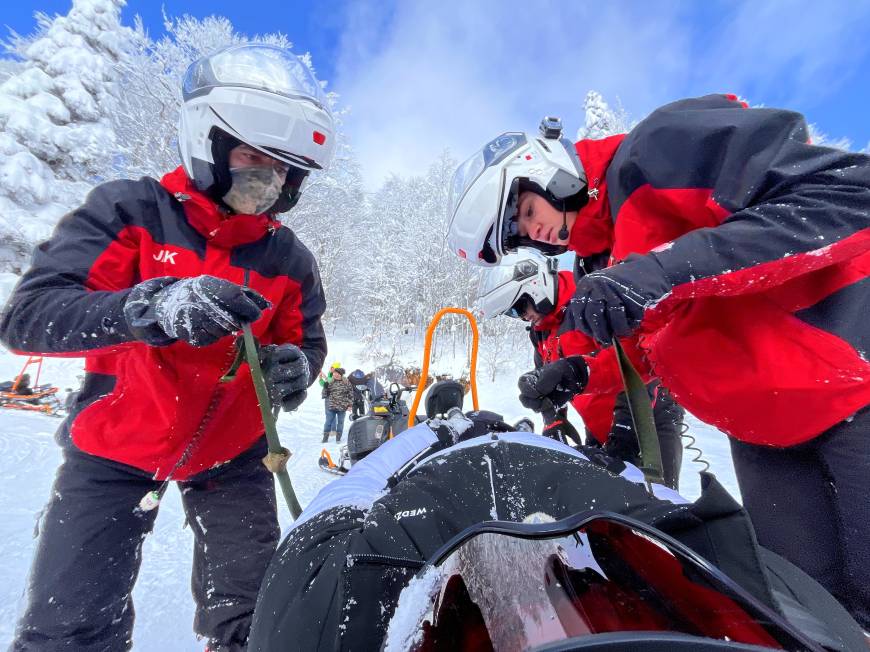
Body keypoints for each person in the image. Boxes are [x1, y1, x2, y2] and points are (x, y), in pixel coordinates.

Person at [446, 95, 870, 629]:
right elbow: (651, 352)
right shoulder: (602, 258)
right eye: (524, 234)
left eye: (528, 212)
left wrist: (660, 270)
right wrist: (578, 374)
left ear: (544, 174)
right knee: (806, 619)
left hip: (851, 389)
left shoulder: (656, 151)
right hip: (763, 435)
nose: (537, 233)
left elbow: (847, 193)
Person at [0, 43, 335, 652]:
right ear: (209, 146)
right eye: (252, 157)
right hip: (114, 448)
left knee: (259, 623)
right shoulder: (131, 211)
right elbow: (29, 316)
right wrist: (152, 309)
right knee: (70, 627)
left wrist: (298, 370)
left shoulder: (289, 260)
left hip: (235, 457)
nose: (267, 179)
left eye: (282, 168)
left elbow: (306, 342)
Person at [247, 410, 866, 651]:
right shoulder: (441, 442)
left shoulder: (424, 451)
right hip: (554, 485)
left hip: (446, 497)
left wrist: (439, 435)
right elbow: (656, 501)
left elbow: (346, 500)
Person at [477, 253, 685, 488]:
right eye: (512, 313)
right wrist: (551, 417)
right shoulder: (541, 333)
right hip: (598, 424)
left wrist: (625, 429)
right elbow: (552, 382)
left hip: (646, 415)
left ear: (537, 287)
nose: (521, 316)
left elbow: (633, 360)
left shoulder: (590, 302)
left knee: (657, 503)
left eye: (519, 306)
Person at [320, 365, 354, 442]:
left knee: (340, 423)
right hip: (332, 406)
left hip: (342, 407)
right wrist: (325, 388)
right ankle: (325, 438)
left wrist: (350, 405)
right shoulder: (330, 382)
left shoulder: (346, 382)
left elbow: (351, 394)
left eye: (337, 373)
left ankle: (338, 438)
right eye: (334, 373)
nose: (335, 374)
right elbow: (325, 394)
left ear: (341, 374)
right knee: (328, 422)